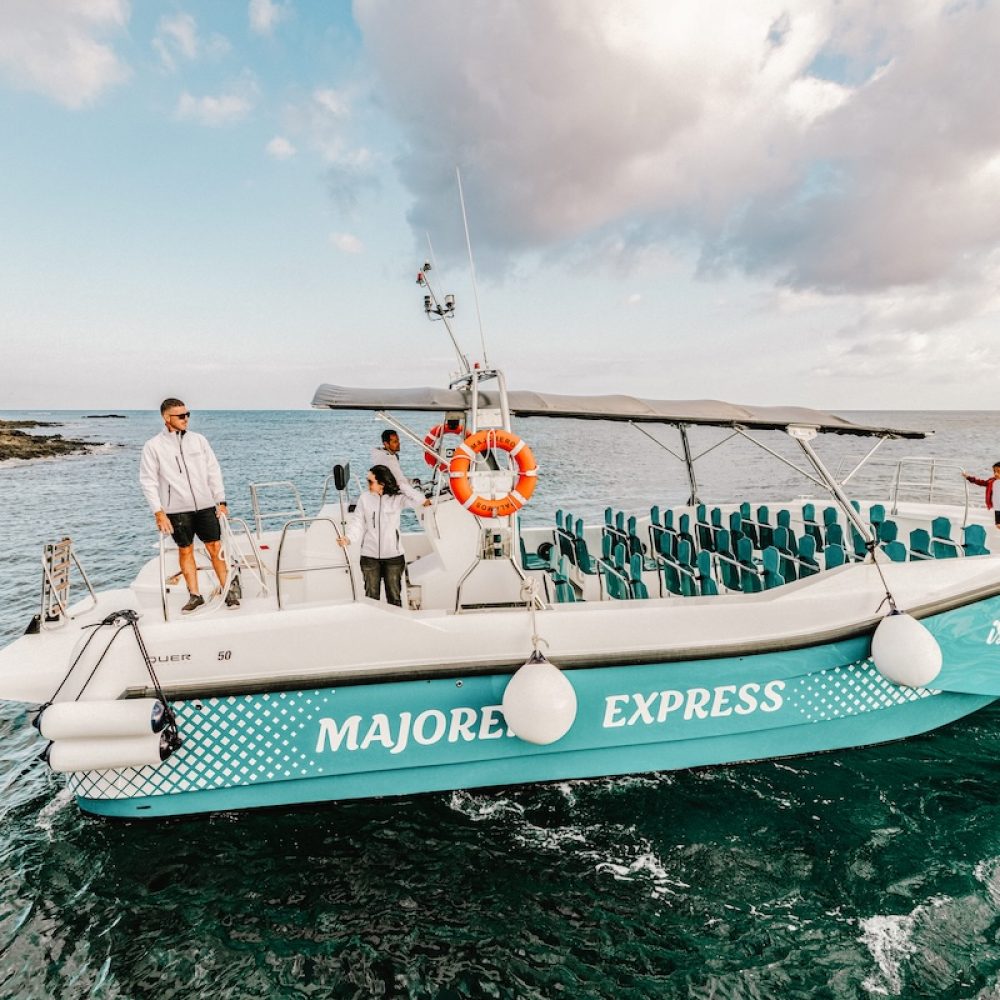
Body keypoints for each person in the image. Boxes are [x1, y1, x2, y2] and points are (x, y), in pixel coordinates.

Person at [139, 398, 239, 612]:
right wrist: (158, 512)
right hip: (176, 509)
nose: (186, 419)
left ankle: (227, 590)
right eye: (181, 416)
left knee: (216, 548)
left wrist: (221, 500)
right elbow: (148, 481)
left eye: (188, 414)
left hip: (205, 505)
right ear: (167, 418)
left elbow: (213, 470)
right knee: (186, 551)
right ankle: (195, 595)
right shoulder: (153, 446)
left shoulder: (199, 440)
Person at [337, 465, 419, 606]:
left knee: (394, 598)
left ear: (382, 483)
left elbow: (419, 500)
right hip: (369, 556)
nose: (367, 485)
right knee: (371, 598)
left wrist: (402, 486)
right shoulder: (365, 498)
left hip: (393, 556)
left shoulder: (398, 499)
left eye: (370, 481)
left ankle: (395, 626)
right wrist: (348, 538)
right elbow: (358, 523)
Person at [371, 429, 431, 508]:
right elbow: (400, 483)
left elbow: (396, 478)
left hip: (384, 496)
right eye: (395, 442)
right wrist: (422, 500)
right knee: (417, 501)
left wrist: (410, 481)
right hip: (389, 500)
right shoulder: (388, 460)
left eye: (398, 441)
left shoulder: (384, 455)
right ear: (386, 444)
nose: (398, 444)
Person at [963, 464, 1000, 531]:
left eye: (998, 471)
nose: (996, 474)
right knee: (998, 525)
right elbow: (981, 482)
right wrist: (969, 478)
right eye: (994, 471)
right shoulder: (991, 481)